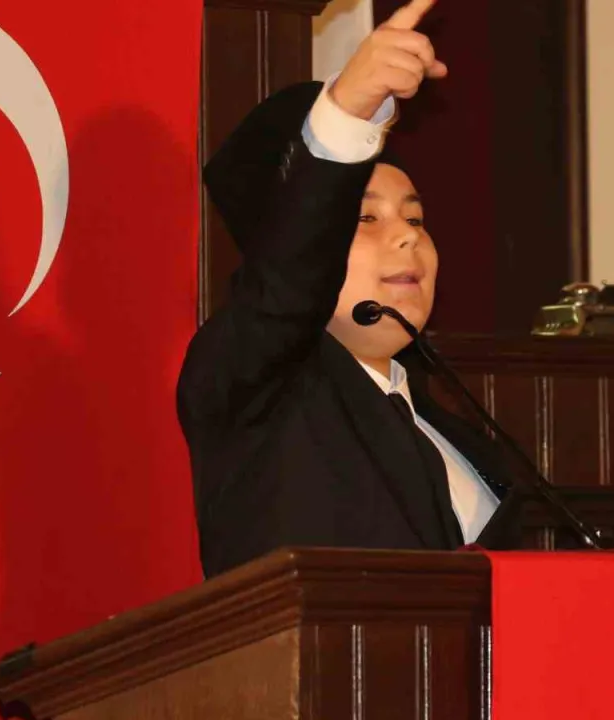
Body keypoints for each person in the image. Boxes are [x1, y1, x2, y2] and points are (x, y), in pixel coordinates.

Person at [177, 0, 521, 577]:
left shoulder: (460, 437)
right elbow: (288, 280)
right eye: (365, 218)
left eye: (415, 218)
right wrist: (347, 114)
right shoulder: (251, 383)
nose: (408, 237)